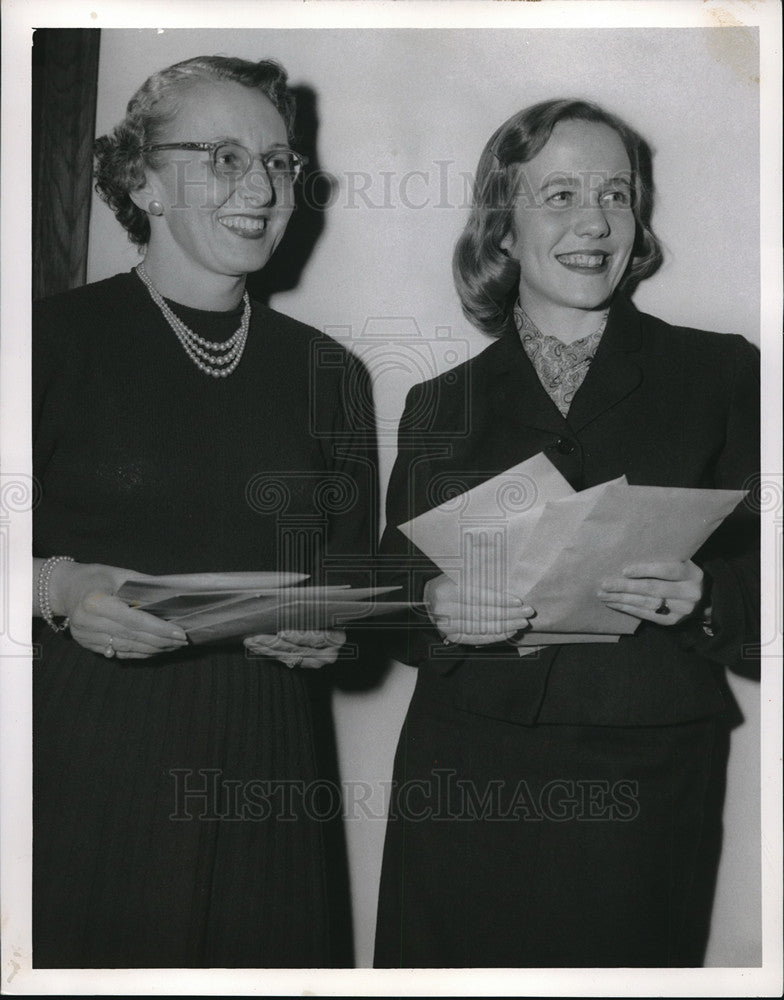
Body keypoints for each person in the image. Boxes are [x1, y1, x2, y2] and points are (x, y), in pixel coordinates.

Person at [373, 99, 759, 968]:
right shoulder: (438, 404)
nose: (594, 222)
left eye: (616, 194)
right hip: (462, 777)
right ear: (500, 227)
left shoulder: (722, 373)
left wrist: (709, 596)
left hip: (644, 782)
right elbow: (386, 598)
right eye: (559, 195)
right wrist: (433, 603)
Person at [33, 55, 377, 968]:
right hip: (87, 756)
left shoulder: (332, 374)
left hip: (271, 760)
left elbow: (352, 578)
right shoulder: (45, 345)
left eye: (277, 161)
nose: (261, 187)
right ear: (140, 178)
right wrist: (58, 587)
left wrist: (333, 630)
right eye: (224, 156)